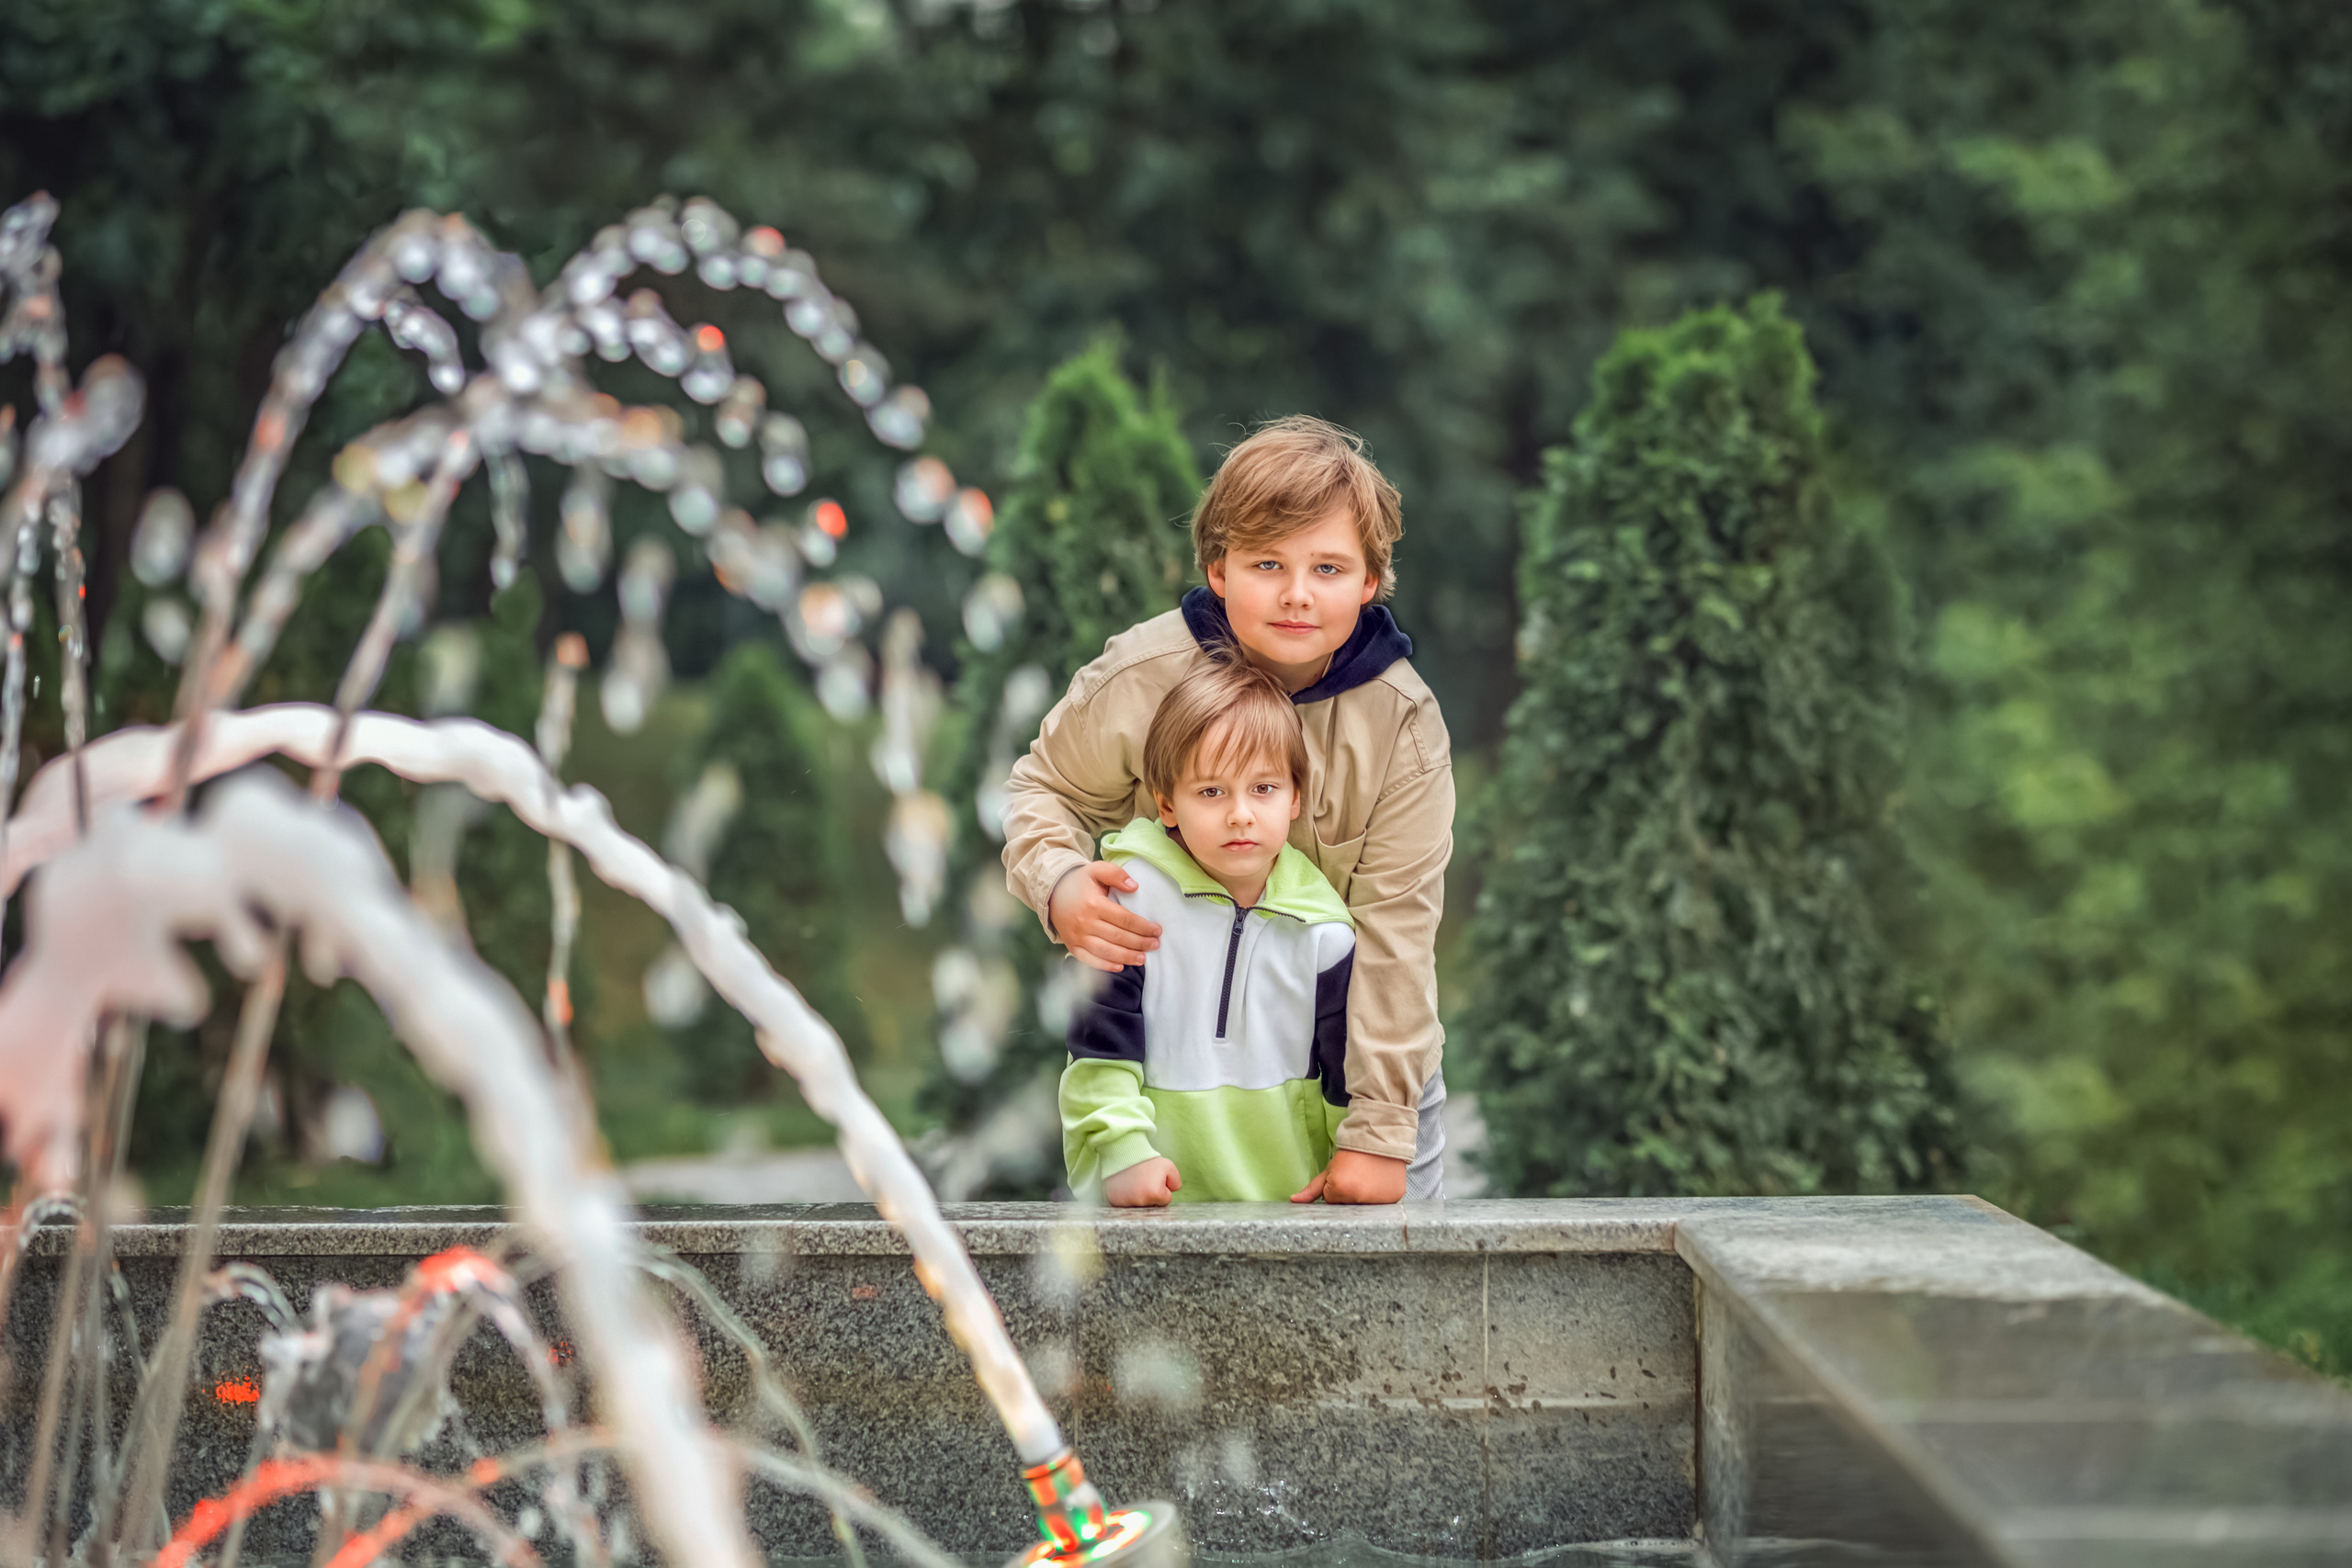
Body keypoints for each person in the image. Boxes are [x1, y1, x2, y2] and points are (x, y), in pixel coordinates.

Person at [1002, 414, 1452, 1203]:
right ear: (1218, 568)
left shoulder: (1403, 725)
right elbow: (1045, 789)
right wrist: (1059, 880)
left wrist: (1379, 1132)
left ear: (1370, 581)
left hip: (1353, 1066)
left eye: (1329, 568)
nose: (1296, 594)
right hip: (1177, 1065)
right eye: (1267, 563)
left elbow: (1396, 932)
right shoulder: (1143, 676)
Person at [1060, 658, 1357, 1204]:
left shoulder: (1326, 932)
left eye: (1263, 788)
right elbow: (1097, 1046)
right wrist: (1123, 1151)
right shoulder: (1130, 898)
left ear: (1295, 797)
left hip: (1286, 1212)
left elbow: (1345, 1077)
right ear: (1168, 803)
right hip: (1144, 1202)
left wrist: (1348, 1158)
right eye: (1212, 793)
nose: (1240, 814)